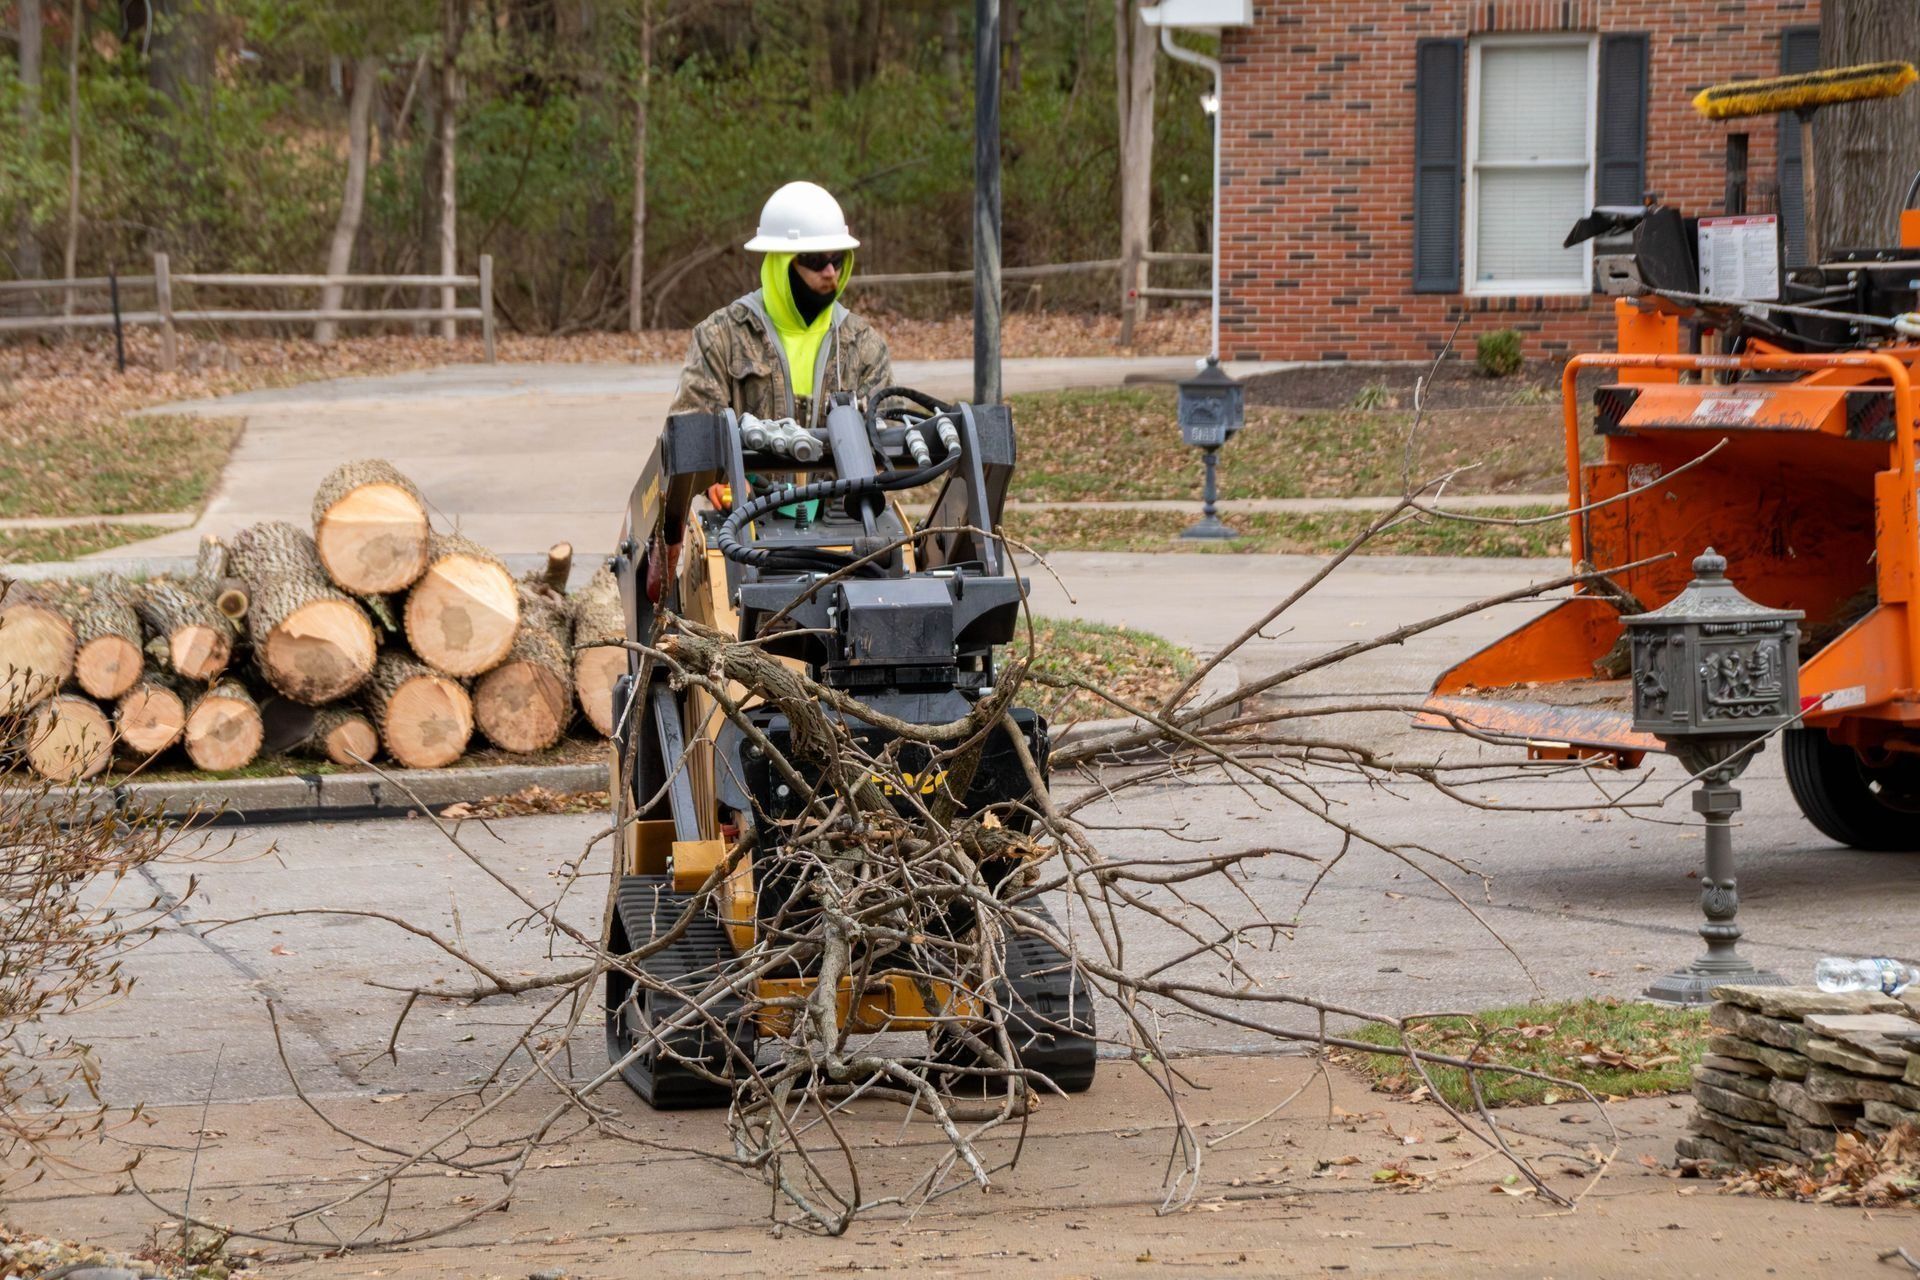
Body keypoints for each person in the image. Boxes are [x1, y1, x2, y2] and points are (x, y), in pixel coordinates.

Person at [671, 181, 892, 428]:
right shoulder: (720, 338)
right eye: (816, 260)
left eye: (837, 259)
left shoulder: (864, 345)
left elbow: (889, 447)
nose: (830, 272)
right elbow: (693, 444)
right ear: (781, 264)